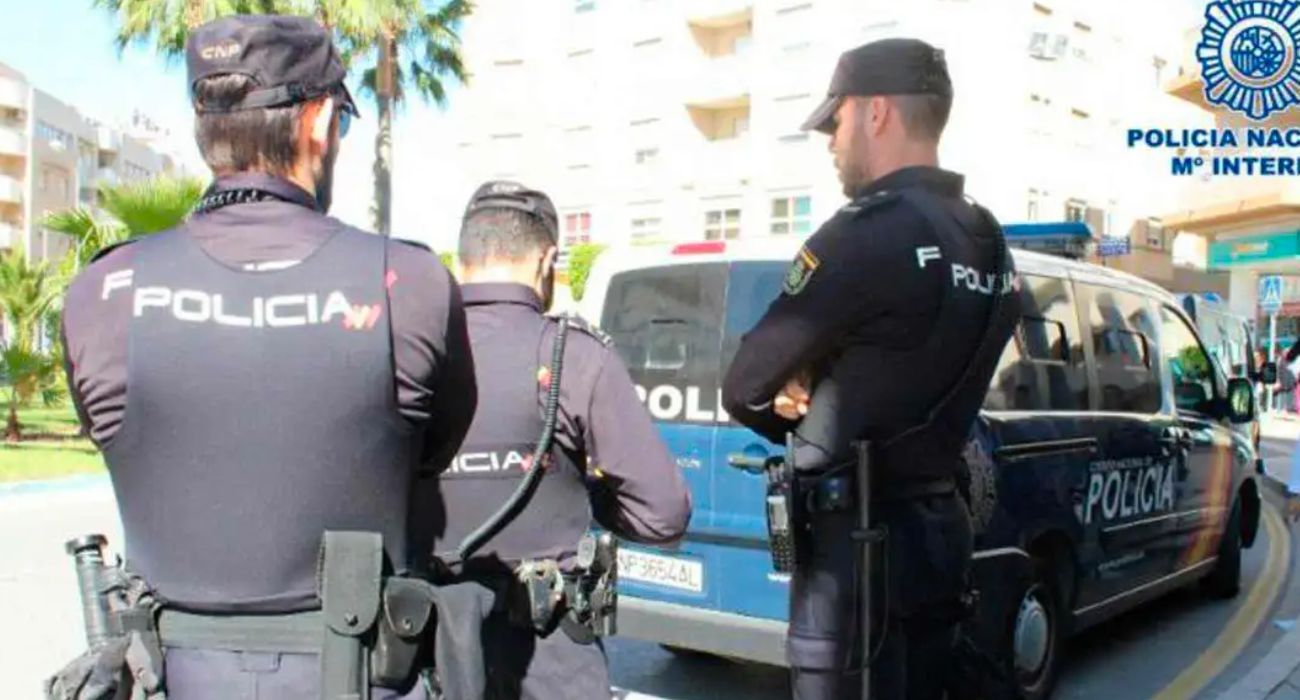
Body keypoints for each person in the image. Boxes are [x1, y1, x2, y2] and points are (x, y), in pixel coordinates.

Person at [54, 15, 475, 699]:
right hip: (360, 674)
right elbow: (432, 451)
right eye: (340, 118)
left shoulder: (104, 291)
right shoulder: (409, 282)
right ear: (316, 123)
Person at [721, 38, 1021, 700]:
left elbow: (745, 386)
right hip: (940, 540)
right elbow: (920, 364)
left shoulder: (865, 233)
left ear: (876, 113)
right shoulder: (992, 244)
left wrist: (802, 398)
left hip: (854, 563)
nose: (830, 140)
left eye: (836, 120)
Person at [429, 181, 692, 700]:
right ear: (547, 260)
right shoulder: (576, 356)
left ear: (463, 259)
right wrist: (578, 489)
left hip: (428, 653)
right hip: (551, 659)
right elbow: (664, 515)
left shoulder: (412, 350)